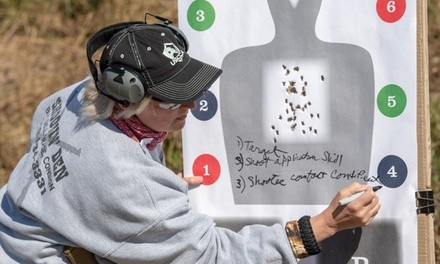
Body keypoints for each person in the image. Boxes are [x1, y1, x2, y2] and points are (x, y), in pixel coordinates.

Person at [0, 15, 380, 264]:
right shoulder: (123, 181)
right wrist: (324, 225)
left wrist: (144, 191)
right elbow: (213, 255)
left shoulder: (77, 95)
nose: (193, 104)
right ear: (130, 95)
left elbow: (87, 171)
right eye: (175, 98)